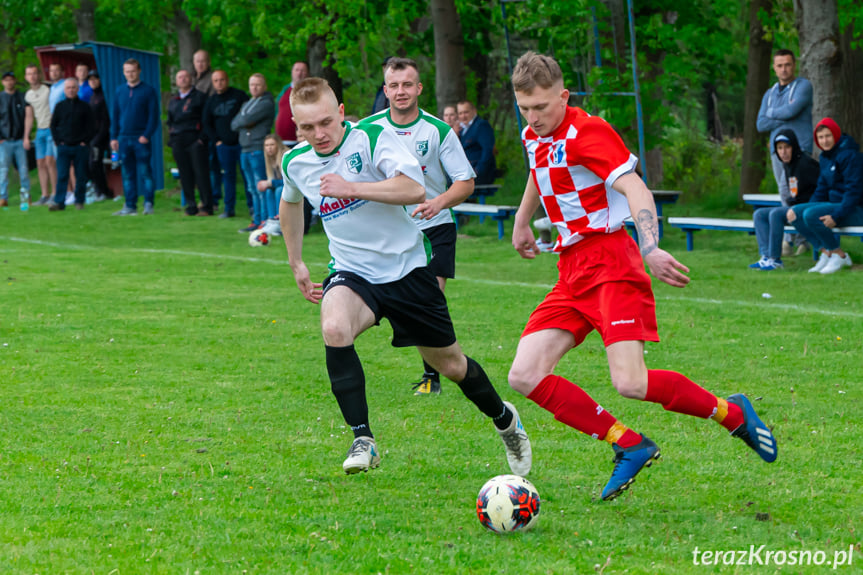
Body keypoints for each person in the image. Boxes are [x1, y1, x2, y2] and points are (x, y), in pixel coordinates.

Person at [506, 52, 777, 502]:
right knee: (525, 374)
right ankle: (628, 444)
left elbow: (634, 186)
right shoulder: (534, 133)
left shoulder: (588, 131)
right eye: (525, 109)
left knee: (630, 382)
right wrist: (521, 220)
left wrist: (650, 246)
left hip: (612, 264)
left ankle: (732, 413)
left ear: (564, 96)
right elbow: (539, 170)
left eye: (543, 107)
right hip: (572, 269)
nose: (534, 118)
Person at [278, 77, 531, 476]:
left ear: (341, 113)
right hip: (352, 272)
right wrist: (296, 261)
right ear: (295, 125)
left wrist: (352, 187)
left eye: (326, 122)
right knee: (335, 327)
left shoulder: (373, 137)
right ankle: (363, 438)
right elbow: (290, 201)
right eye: (307, 128)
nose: (319, 134)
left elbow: (413, 188)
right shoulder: (296, 162)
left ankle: (504, 419)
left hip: (407, 269)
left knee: (451, 366)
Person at [361, 57, 476, 396]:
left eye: (407, 85)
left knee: (430, 297)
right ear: (385, 90)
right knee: (395, 303)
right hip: (391, 230)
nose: (401, 92)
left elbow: (465, 181)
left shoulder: (438, 131)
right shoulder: (368, 130)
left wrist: (438, 202)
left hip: (434, 226)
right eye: (394, 86)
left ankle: (433, 376)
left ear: (419, 88)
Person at [757, 49, 813, 256]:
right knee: (784, 194)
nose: (784, 69)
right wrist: (783, 114)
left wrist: (774, 113)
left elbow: (793, 110)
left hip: (800, 149)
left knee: (800, 193)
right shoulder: (770, 93)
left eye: (787, 64)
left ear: (794, 65)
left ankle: (804, 239)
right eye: (779, 65)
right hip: (777, 151)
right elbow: (761, 123)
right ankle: (788, 241)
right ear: (774, 68)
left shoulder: (803, 86)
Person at [789, 118, 863, 275]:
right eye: (821, 137)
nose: (824, 140)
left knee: (811, 215)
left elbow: (853, 193)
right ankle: (826, 252)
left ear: (835, 135)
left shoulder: (851, 156)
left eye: (828, 136)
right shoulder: (825, 157)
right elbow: (821, 189)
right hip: (835, 205)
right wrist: (807, 209)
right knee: (794, 214)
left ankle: (839, 255)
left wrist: (836, 216)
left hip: (854, 210)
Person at [749, 129, 818, 270]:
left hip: (809, 208)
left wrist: (799, 207)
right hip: (796, 207)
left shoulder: (805, 164)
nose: (783, 152)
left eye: (787, 147)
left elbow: (818, 191)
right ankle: (766, 256)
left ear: (794, 147)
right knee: (759, 214)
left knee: (776, 214)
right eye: (780, 148)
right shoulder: (788, 165)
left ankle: (775, 259)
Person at [110, 58, 159, 216]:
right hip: (123, 138)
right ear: (124, 73)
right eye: (127, 71)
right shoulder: (119, 91)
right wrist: (114, 137)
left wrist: (146, 135)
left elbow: (154, 116)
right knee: (127, 173)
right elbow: (115, 115)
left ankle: (149, 203)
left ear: (139, 71)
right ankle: (130, 205)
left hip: (140, 139)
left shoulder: (148, 91)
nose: (130, 74)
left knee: (145, 172)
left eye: (133, 71)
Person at [230, 73, 274, 232]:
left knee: (261, 186)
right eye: (251, 85)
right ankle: (256, 220)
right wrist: (245, 120)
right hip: (245, 150)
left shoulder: (266, 103)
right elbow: (235, 124)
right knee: (251, 188)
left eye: (258, 85)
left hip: (257, 149)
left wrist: (245, 120)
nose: (254, 88)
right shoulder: (247, 103)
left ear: (264, 86)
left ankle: (265, 220)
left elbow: (243, 120)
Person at [202, 69, 248, 218]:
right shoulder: (211, 101)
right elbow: (206, 123)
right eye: (216, 81)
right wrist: (217, 141)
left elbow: (249, 114)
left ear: (227, 80)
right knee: (228, 177)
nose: (219, 83)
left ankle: (253, 207)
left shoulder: (239, 96)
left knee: (246, 175)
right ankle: (229, 209)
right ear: (213, 83)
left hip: (242, 144)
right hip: (223, 146)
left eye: (222, 80)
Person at [167, 69, 213, 216]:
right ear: (176, 81)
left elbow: (206, 119)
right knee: (185, 175)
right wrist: (172, 139)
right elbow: (170, 122)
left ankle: (206, 206)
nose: (183, 79)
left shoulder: (200, 97)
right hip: (178, 141)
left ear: (191, 79)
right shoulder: (173, 101)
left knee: (201, 174)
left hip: (196, 140)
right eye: (180, 77)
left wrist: (201, 139)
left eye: (186, 77)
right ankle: (191, 206)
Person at [49, 78, 93, 210]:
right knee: (62, 175)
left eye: (73, 87)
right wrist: (58, 142)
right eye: (68, 88)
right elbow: (53, 125)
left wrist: (85, 142)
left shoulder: (85, 107)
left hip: (80, 146)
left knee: (81, 175)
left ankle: (79, 201)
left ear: (77, 89)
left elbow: (91, 127)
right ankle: (59, 202)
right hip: (64, 146)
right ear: (65, 90)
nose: (71, 90)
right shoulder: (59, 106)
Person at [24, 64, 57, 206]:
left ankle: (55, 194)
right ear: (26, 77)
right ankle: (45, 194)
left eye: (35, 73)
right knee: (40, 163)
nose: (32, 76)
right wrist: (26, 136)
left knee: (50, 161)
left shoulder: (48, 89)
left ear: (39, 75)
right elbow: (29, 116)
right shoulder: (28, 95)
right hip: (40, 131)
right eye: (29, 74)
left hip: (51, 129)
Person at [0, 71, 33, 210]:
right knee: (3, 170)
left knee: (24, 169)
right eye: (6, 80)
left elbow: (28, 116)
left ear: (15, 81)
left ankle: (26, 195)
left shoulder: (22, 96)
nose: (9, 82)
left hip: (19, 140)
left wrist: (26, 136)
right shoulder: (0, 98)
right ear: (3, 82)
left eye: (11, 79)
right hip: (4, 141)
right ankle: (3, 197)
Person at [457, 100, 496, 185]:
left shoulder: (481, 125)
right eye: (460, 113)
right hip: (466, 173)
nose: (463, 116)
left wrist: (478, 170)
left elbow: (488, 150)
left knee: (450, 184)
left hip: (479, 173)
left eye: (466, 112)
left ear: (474, 111)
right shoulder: (462, 130)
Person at [87, 70, 111, 200]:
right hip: (92, 138)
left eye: (95, 79)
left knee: (95, 164)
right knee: (90, 165)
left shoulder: (103, 97)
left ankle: (104, 191)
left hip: (101, 138)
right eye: (90, 79)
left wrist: (98, 138)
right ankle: (98, 190)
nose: (92, 81)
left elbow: (105, 121)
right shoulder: (92, 97)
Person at [256, 134, 287, 234]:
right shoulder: (269, 159)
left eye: (272, 145)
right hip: (281, 185)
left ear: (278, 145)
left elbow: (290, 181)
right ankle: (272, 220)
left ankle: (280, 221)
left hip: (293, 188)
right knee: (269, 190)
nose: (269, 148)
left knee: (278, 190)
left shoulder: (285, 155)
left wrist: (270, 183)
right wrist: (269, 184)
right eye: (266, 145)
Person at [275, 61, 309, 147]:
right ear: (292, 72)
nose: (299, 73)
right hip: (281, 141)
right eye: (296, 70)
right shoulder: (285, 90)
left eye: (302, 70)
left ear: (307, 73)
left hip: (299, 141)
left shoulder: (309, 91)